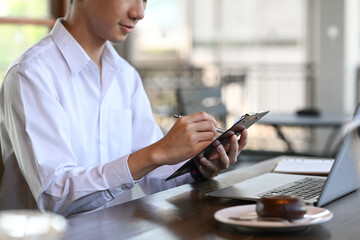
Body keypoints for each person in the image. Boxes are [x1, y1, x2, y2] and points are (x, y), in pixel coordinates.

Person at [0, 0, 247, 216]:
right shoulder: (31, 74)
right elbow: (54, 197)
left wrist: (200, 168)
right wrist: (156, 153)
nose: (139, 12)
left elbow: (153, 177)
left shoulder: (126, 77)